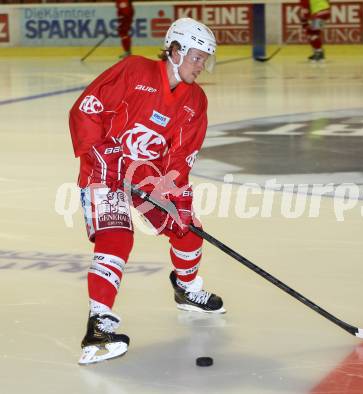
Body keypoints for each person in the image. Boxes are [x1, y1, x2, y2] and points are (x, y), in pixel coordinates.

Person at [69, 17, 224, 366]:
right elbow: (86, 109)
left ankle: (187, 288)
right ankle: (98, 328)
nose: (202, 67)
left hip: (147, 177)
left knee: (187, 230)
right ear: (174, 51)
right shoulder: (134, 71)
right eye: (197, 57)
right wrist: (100, 150)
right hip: (104, 170)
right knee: (117, 236)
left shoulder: (195, 101)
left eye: (205, 60)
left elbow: (181, 157)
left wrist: (177, 197)